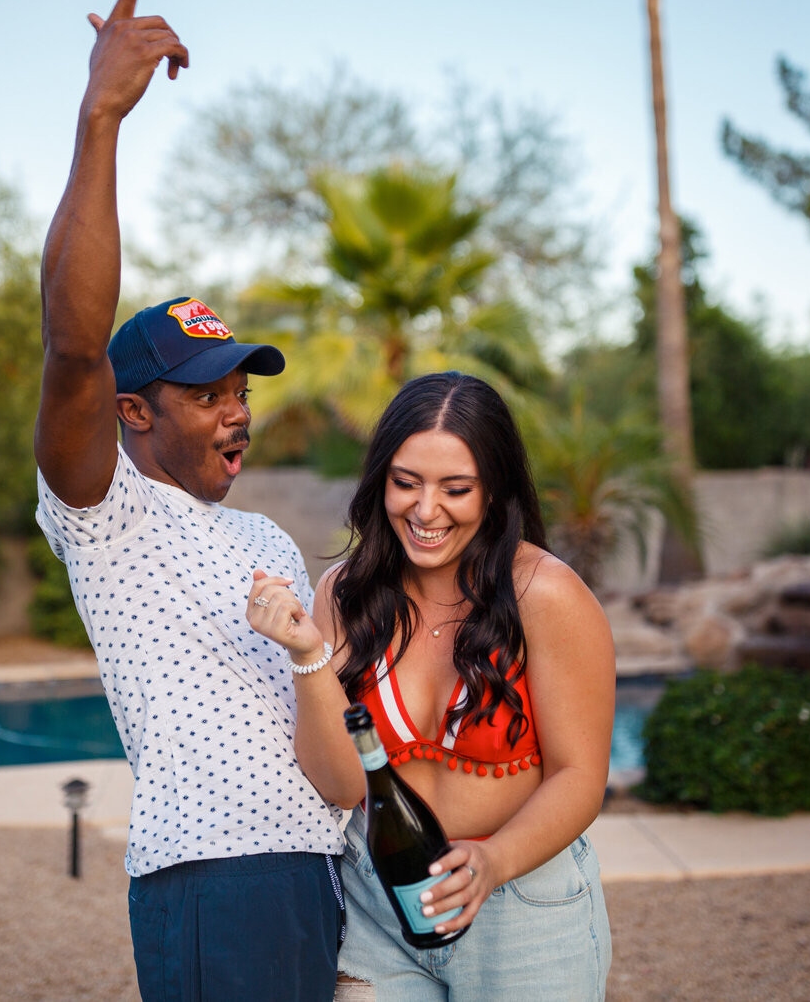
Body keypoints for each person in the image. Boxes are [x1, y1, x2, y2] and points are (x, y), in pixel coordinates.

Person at [33, 0, 343, 1001]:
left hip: (318, 876)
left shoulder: (265, 542)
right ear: (135, 412)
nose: (237, 408)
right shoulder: (102, 512)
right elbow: (74, 347)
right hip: (210, 882)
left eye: (240, 387)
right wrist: (100, 120)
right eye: (207, 392)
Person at [248, 371, 615, 999]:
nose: (424, 511)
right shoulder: (346, 593)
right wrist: (308, 654)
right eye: (405, 482)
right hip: (378, 907)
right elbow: (339, 784)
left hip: (523, 907)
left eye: (456, 489)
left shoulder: (547, 595)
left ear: (494, 492)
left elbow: (579, 777)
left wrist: (492, 863)